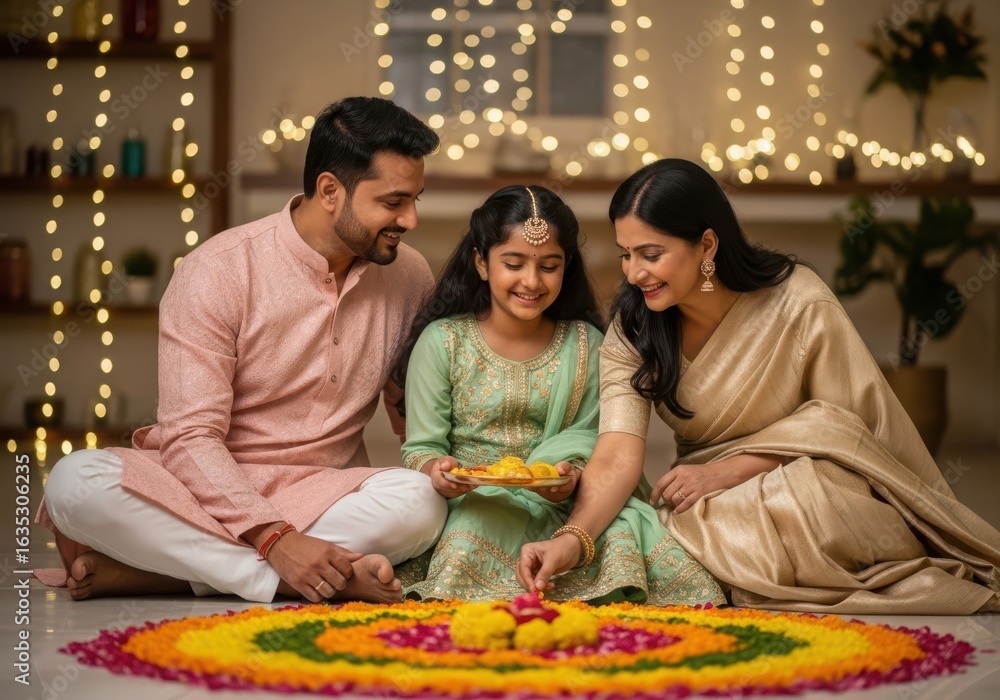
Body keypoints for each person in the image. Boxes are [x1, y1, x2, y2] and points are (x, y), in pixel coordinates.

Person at [516, 158, 1000, 614]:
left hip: (813, 479)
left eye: (651, 254)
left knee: (804, 503)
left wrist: (732, 470)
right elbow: (618, 452)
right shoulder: (635, 326)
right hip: (707, 502)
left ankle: (739, 564)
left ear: (707, 246)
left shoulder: (799, 300)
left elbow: (845, 430)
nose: (634, 273)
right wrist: (574, 537)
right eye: (626, 254)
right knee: (634, 523)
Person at [37, 97, 449, 604]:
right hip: (201, 488)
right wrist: (275, 539)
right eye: (393, 202)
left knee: (422, 502)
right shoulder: (218, 270)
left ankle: (168, 574)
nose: (410, 219)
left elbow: (413, 400)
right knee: (74, 483)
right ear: (329, 190)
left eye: (415, 200)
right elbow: (190, 437)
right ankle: (292, 575)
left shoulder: (409, 275)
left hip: (325, 491)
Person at [390, 185, 725, 606]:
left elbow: (595, 441)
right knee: (475, 527)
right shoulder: (444, 341)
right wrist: (438, 472)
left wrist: (571, 476)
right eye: (514, 264)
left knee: (623, 531)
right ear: (481, 262)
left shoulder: (586, 344)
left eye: (549, 266)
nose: (532, 281)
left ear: (567, 267)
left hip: (571, 506)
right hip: (477, 499)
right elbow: (421, 448)